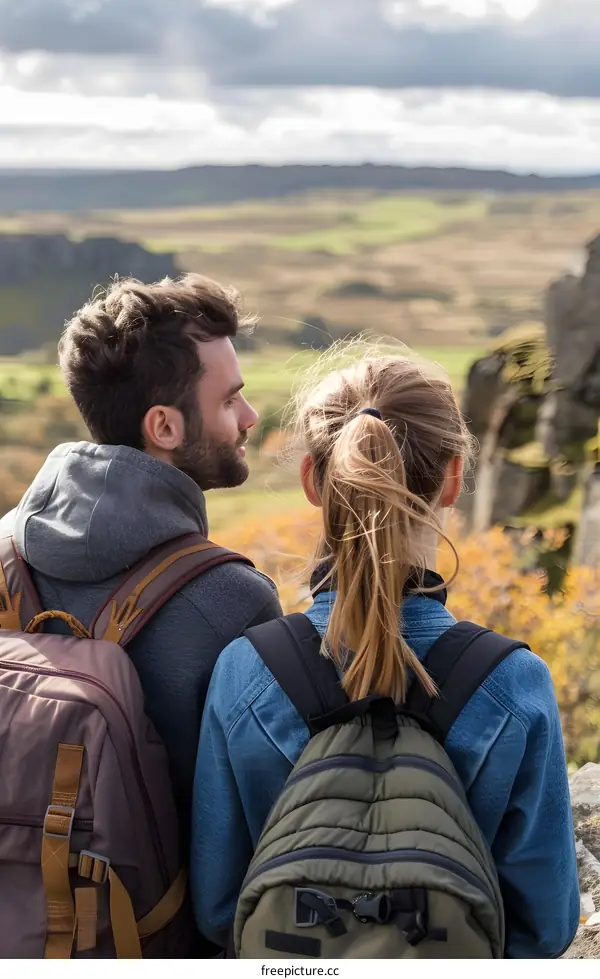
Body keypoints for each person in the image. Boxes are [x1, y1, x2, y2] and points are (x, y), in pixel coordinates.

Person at [190, 347, 580, 959]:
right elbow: (547, 926)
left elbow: (218, 909)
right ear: (453, 477)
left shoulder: (247, 670)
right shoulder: (514, 683)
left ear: (313, 481)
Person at [0, 273, 283, 828]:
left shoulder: (4, 549)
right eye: (229, 400)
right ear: (164, 427)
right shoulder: (234, 601)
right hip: (144, 914)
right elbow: (248, 826)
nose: (250, 417)